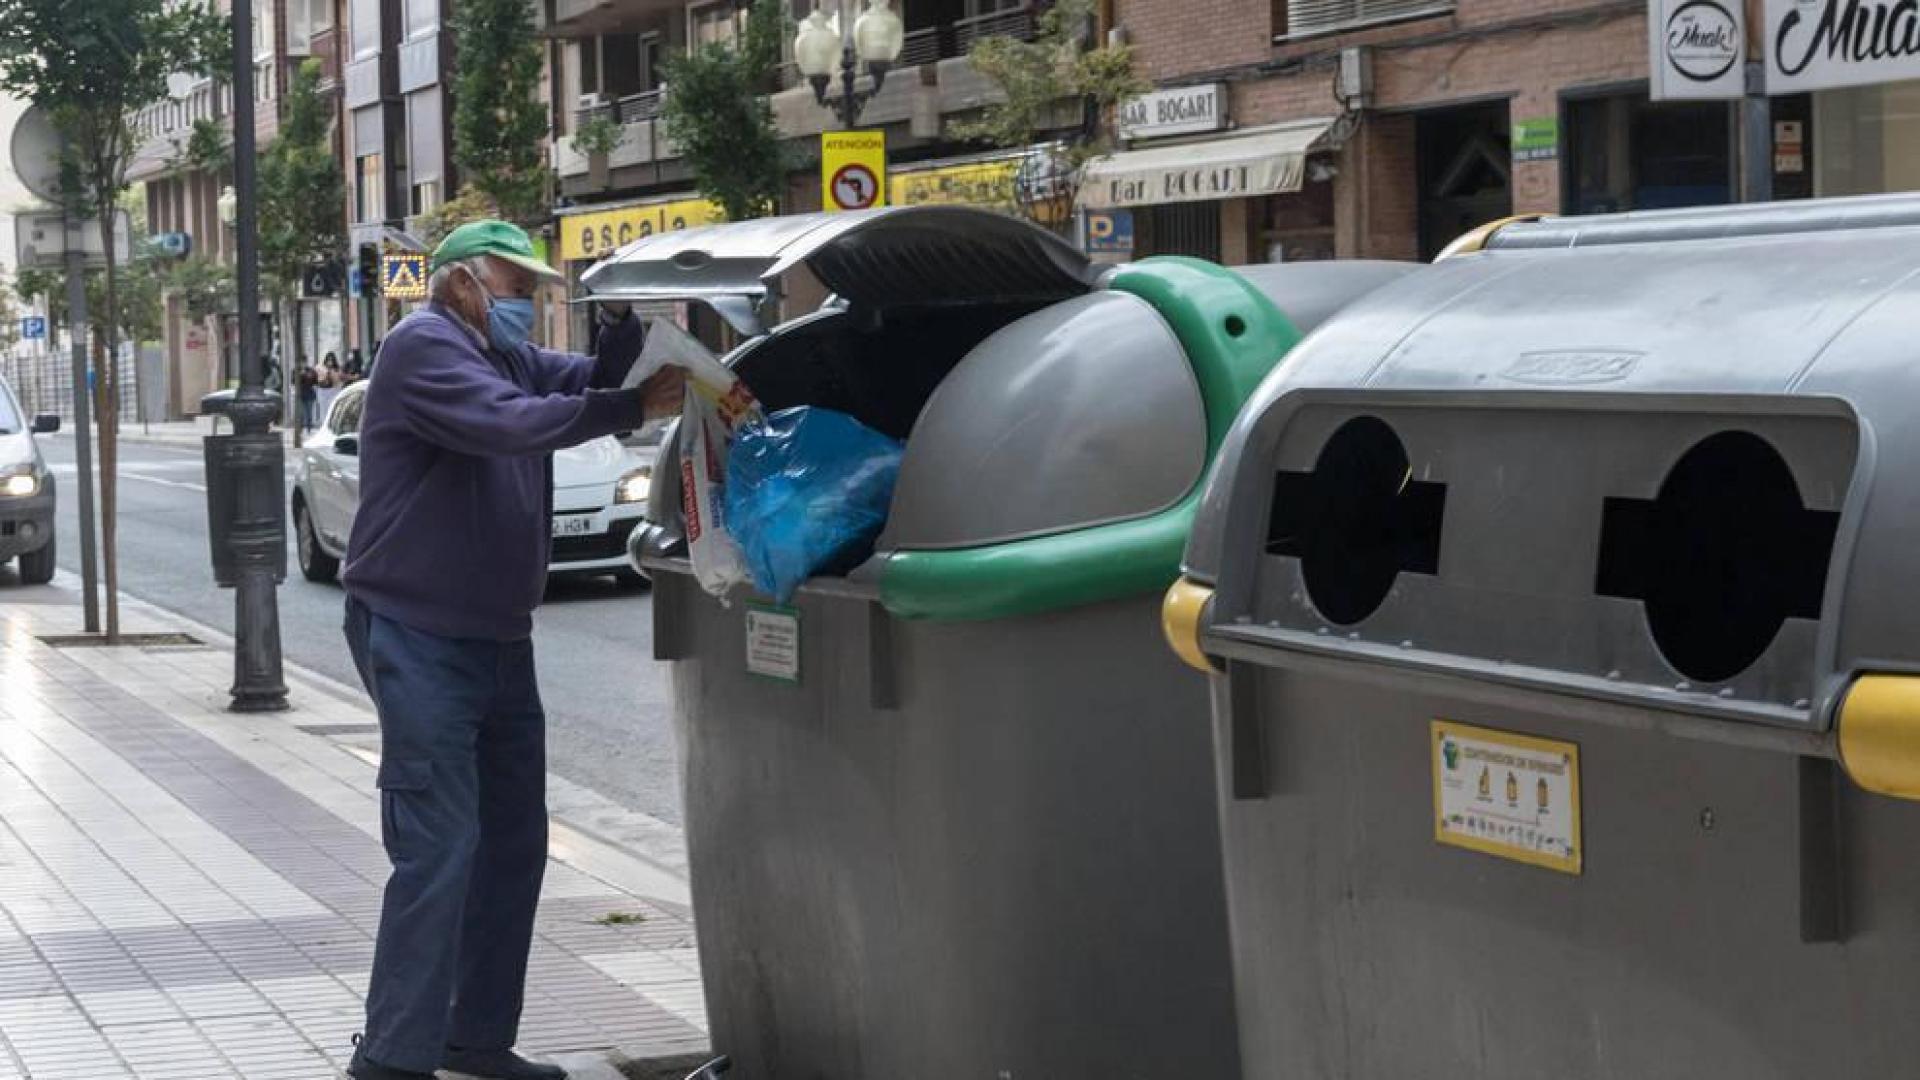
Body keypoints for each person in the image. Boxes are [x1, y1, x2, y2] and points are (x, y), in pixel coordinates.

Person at [339, 220, 684, 1080]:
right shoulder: (424, 348)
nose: (529, 305)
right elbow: (513, 425)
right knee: (441, 845)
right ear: (462, 284)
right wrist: (631, 407)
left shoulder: (504, 352)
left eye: (536, 291)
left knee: (513, 846)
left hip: (498, 637)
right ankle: (391, 1057)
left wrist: (622, 338)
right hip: (419, 634)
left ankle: (476, 1039)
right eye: (517, 287)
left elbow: (578, 379)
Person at [296, 362, 319, 432]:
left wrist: (309, 377)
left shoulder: (311, 371)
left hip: (309, 393)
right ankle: (301, 428)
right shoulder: (296, 370)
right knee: (301, 412)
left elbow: (315, 381)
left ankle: (309, 427)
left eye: (304, 361)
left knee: (309, 411)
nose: (303, 364)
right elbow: (293, 381)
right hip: (300, 394)